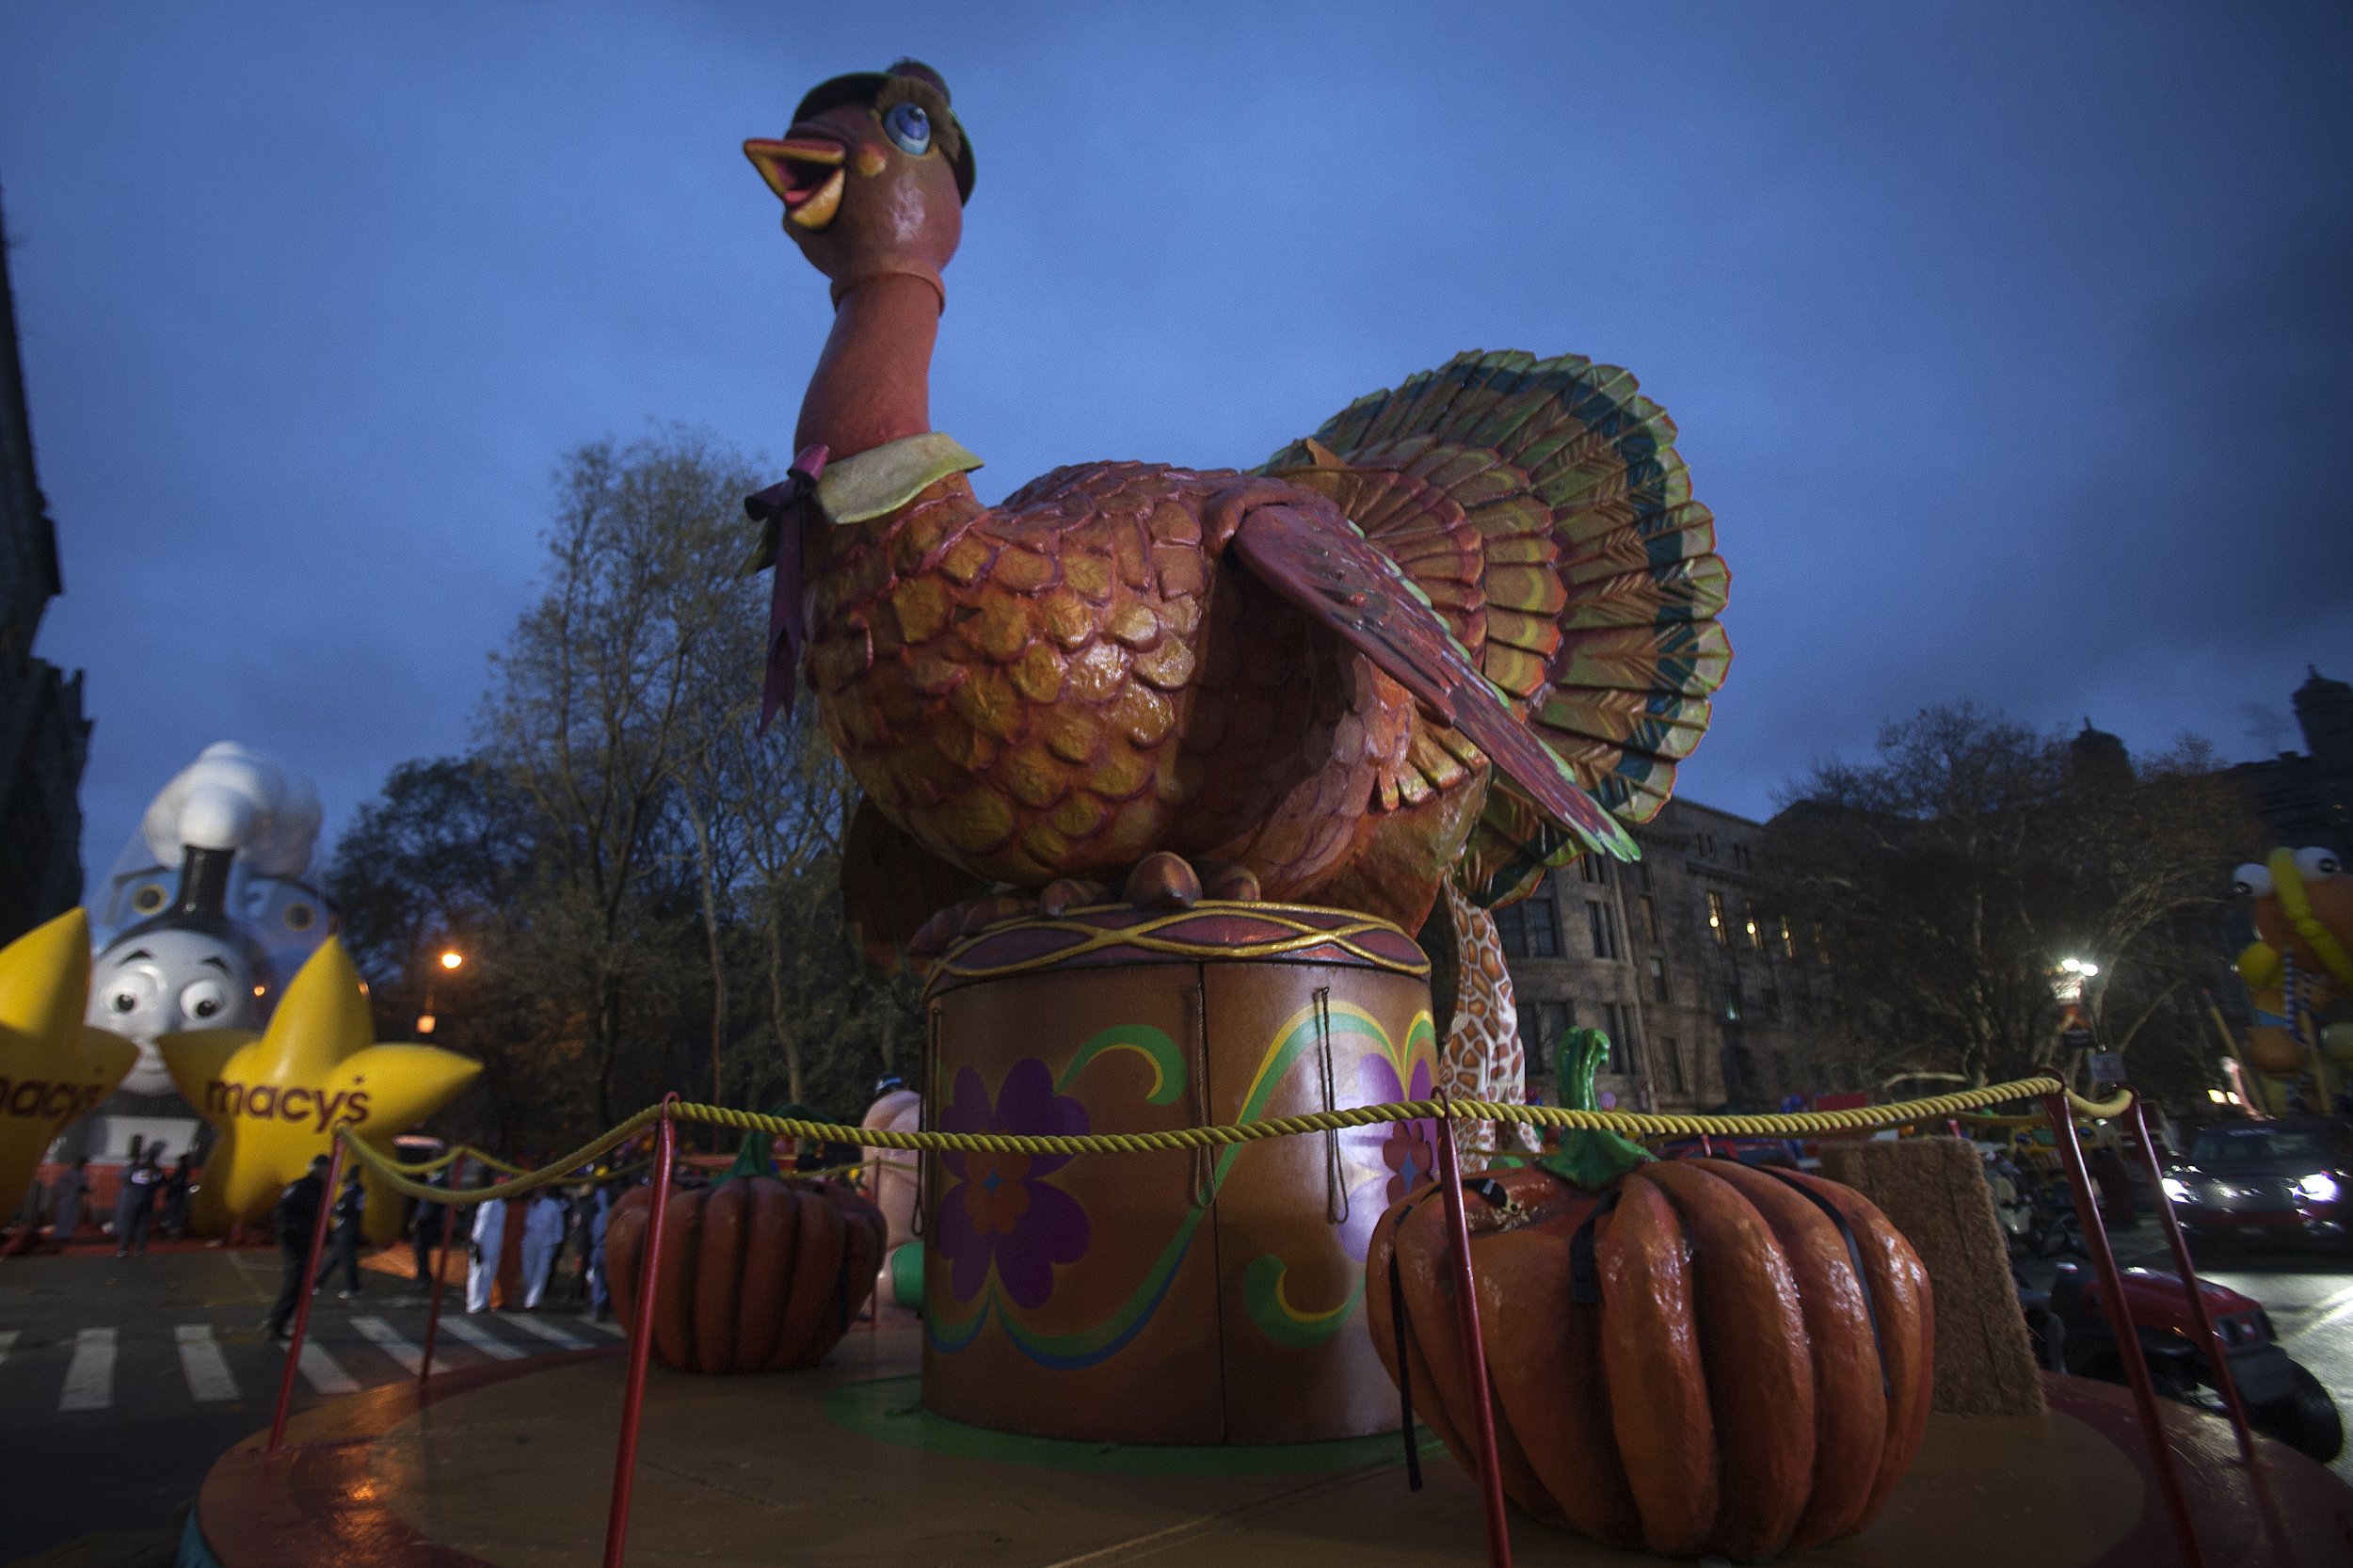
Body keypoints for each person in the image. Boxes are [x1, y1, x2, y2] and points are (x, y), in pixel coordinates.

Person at [265, 1156, 330, 1340]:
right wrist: (289, 1231)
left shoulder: (320, 1188)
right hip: (295, 1242)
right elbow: (281, 1209)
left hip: (307, 1242)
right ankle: (276, 1323)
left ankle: (279, 1322)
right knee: (295, 1283)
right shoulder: (301, 1186)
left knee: (301, 1285)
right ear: (317, 1169)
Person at [314, 1171, 366, 1297]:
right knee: (333, 1259)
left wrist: (331, 1209)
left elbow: (341, 1210)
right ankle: (318, 1283)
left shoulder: (352, 1192)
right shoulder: (355, 1190)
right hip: (345, 1230)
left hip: (346, 1231)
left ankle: (353, 1288)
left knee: (347, 1260)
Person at [519, 1191, 566, 1309]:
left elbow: (559, 1224)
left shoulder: (552, 1205)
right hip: (529, 1238)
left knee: (542, 1269)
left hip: (546, 1240)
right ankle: (529, 1295)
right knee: (528, 1269)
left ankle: (533, 1301)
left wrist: (557, 1241)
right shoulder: (528, 1205)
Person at [115, 1146, 165, 1256]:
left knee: (128, 1225)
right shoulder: (156, 1173)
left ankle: (123, 1249)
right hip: (146, 1202)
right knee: (143, 1226)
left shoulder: (133, 1171)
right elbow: (161, 1182)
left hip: (131, 1201)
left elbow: (121, 1176)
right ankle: (139, 1249)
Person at [465, 1187, 504, 1313]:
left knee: (489, 1272)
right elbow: (482, 1222)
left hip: (494, 1239)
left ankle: (482, 1300)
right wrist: (477, 1240)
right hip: (485, 1240)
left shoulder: (501, 1202)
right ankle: (474, 1302)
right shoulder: (490, 1201)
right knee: (478, 1271)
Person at [410, 1171, 450, 1284]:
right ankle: (423, 1275)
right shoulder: (430, 1182)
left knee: (421, 1250)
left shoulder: (437, 1184)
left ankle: (424, 1276)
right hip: (425, 1222)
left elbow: (429, 1207)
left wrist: (418, 1221)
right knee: (420, 1250)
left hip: (427, 1224)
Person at [586, 1184, 614, 1320]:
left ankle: (598, 1307)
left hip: (598, 1250)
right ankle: (602, 1308)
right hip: (606, 1250)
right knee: (605, 1281)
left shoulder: (600, 1216)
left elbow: (593, 1234)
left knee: (599, 1280)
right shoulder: (613, 1214)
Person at [50, 1156, 88, 1240]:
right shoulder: (74, 1174)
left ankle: (65, 1233)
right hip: (68, 1197)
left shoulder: (77, 1174)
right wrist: (88, 1189)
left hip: (71, 1197)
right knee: (65, 1215)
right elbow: (80, 1187)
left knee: (70, 1215)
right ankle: (61, 1234)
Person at [162, 1153, 195, 1239]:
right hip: (177, 1195)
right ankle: (173, 1230)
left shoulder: (182, 1170)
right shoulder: (183, 1171)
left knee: (174, 1212)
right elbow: (177, 1183)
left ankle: (172, 1228)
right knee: (175, 1213)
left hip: (176, 1195)